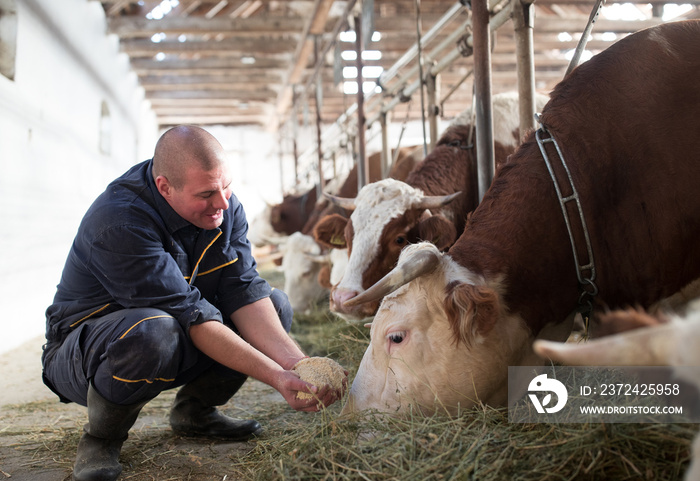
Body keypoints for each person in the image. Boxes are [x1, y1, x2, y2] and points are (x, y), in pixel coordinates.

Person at [41, 125, 347, 481]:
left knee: (274, 304)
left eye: (226, 186)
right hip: (87, 354)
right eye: (206, 194)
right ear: (165, 188)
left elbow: (243, 290)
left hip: (175, 333)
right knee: (154, 331)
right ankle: (101, 438)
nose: (222, 202)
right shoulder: (119, 221)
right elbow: (191, 316)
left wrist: (299, 365)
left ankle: (195, 413)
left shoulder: (224, 207)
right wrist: (277, 379)